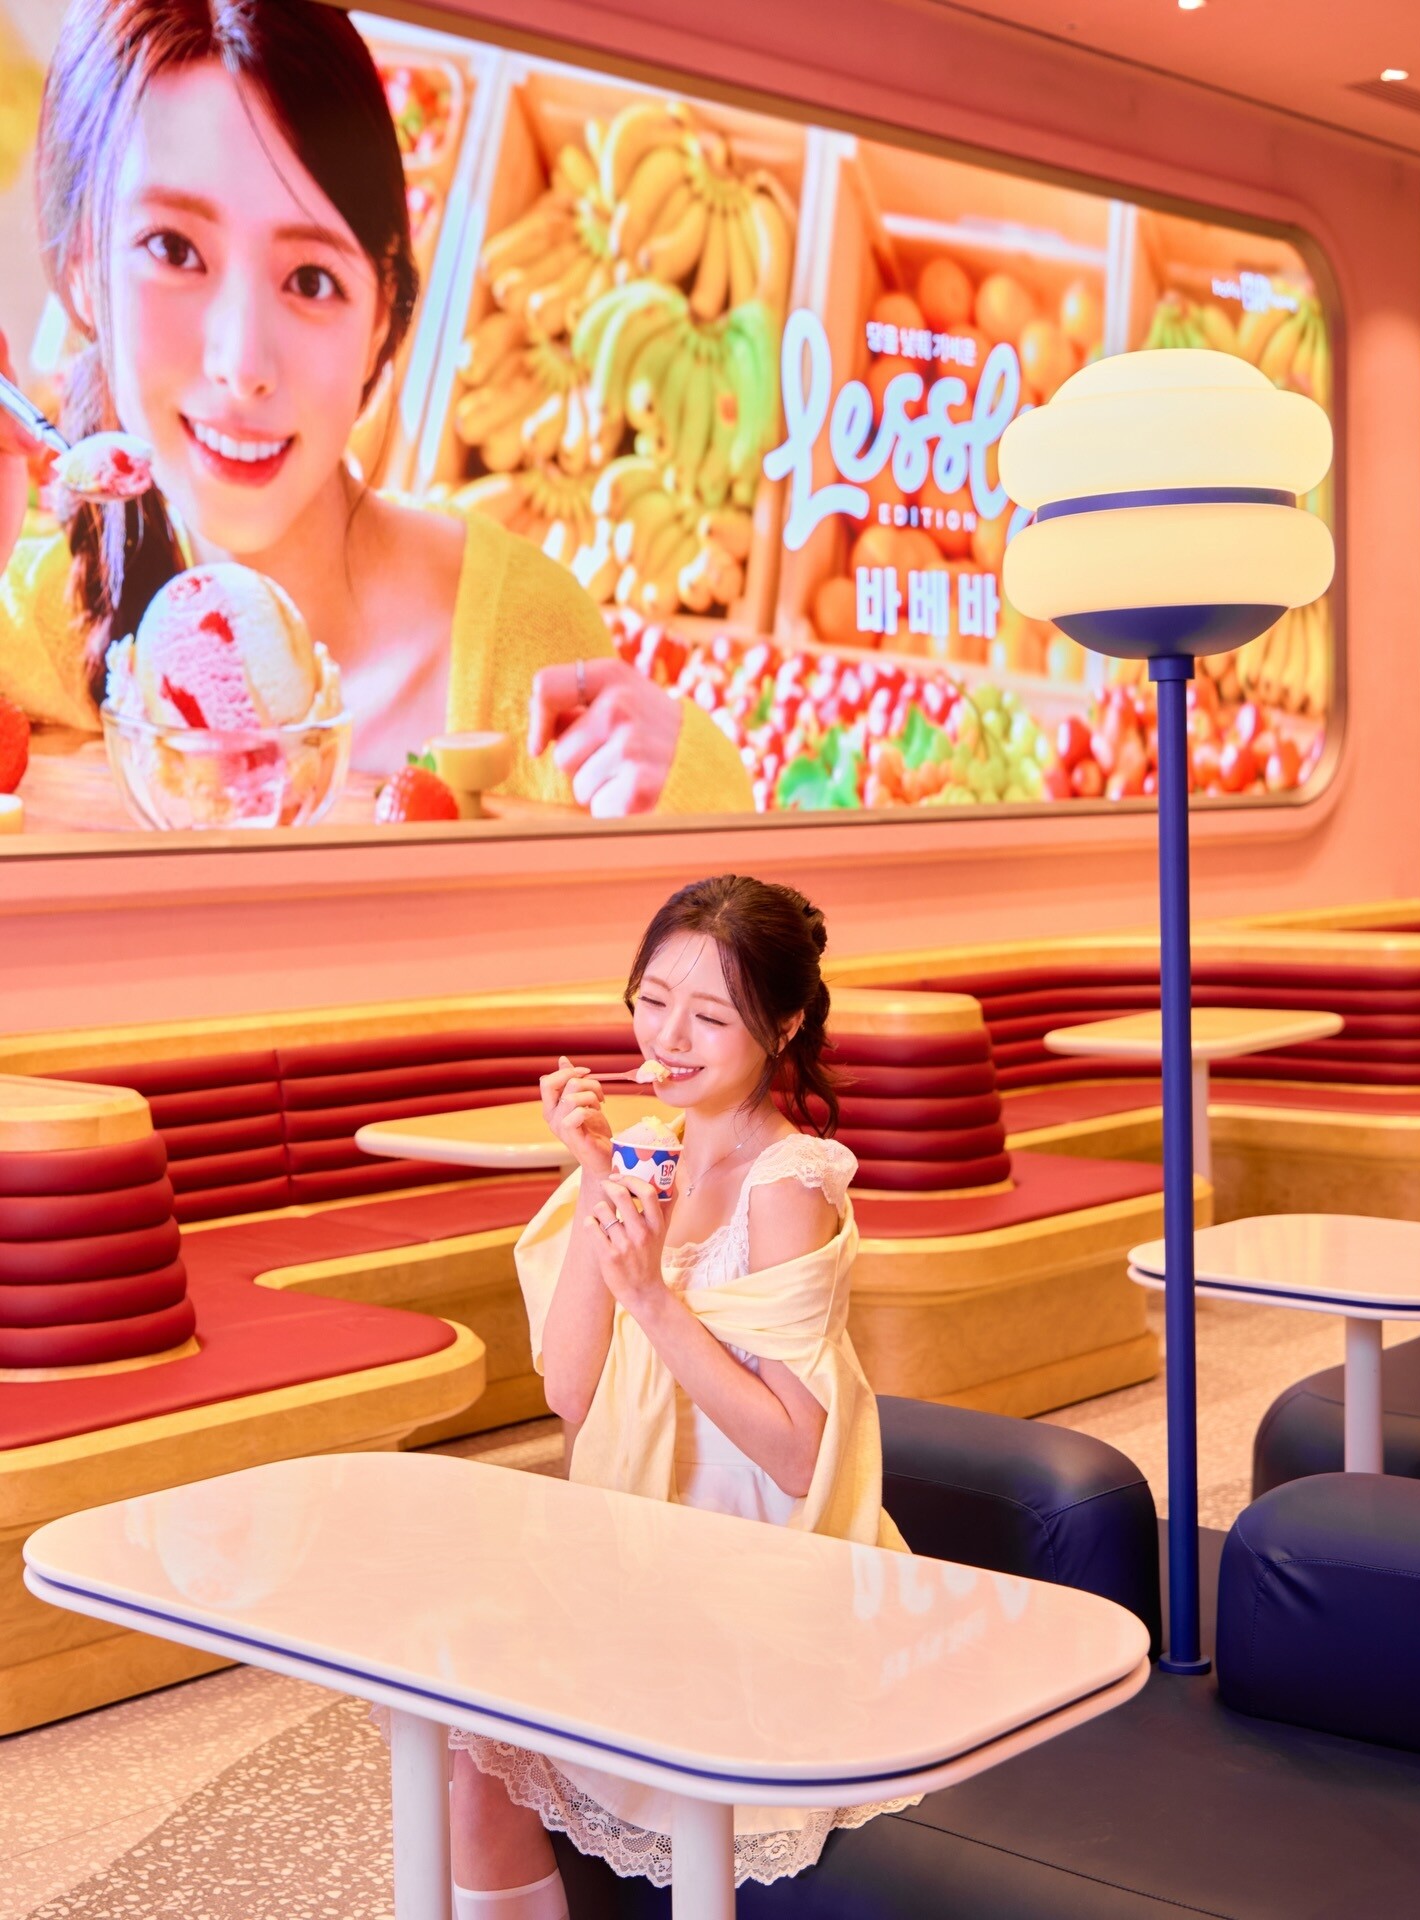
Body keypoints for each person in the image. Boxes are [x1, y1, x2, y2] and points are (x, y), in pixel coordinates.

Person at [0, 0, 750, 814]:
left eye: (310, 280)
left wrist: (688, 792)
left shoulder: (519, 655)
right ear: (82, 270)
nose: (243, 366)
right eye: (174, 250)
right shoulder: (41, 622)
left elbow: (698, 884)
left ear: (383, 318)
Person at [448, 875, 913, 1917]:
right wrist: (592, 1171)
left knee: (491, 1740)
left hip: (749, 1553)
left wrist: (655, 1300)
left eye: (710, 1015)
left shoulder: (789, 1183)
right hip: (631, 1521)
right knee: (465, 1741)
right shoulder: (645, 1151)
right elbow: (571, 1391)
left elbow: (797, 1454)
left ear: (782, 1028)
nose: (670, 1037)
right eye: (653, 1001)